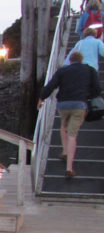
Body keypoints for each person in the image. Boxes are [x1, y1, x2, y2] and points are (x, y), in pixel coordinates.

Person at [37, 51, 101, 179]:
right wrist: (88, 96)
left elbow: (50, 86)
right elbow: (97, 89)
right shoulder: (89, 70)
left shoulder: (62, 71)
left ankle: (65, 151)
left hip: (63, 105)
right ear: (81, 60)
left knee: (63, 126)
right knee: (73, 135)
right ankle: (69, 168)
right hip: (79, 105)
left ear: (70, 61)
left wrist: (41, 98)